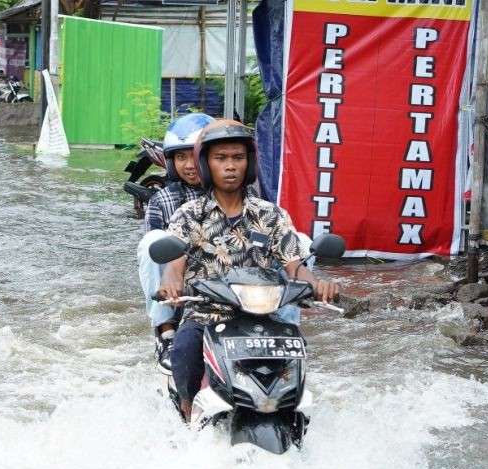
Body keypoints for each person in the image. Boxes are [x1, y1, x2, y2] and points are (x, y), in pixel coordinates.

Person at [159, 120, 338, 421]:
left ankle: (292, 417)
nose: (230, 166)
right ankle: (188, 413)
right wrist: (171, 284)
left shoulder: (271, 215)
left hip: (262, 317)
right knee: (185, 348)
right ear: (206, 165)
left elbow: (295, 264)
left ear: (249, 163)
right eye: (221, 158)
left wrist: (317, 284)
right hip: (207, 315)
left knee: (296, 349)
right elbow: (173, 266)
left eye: (237, 158)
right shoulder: (189, 215)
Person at [136, 112, 214, 373]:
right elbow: (155, 252)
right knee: (153, 241)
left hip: (229, 278)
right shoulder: (162, 201)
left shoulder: (239, 192)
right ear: (171, 162)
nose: (189, 165)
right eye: (181, 157)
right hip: (179, 283)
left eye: (194, 155)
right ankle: (166, 333)